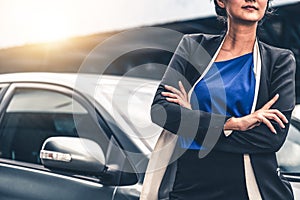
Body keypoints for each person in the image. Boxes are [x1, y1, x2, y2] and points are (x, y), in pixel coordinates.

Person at [143, 0, 296, 199]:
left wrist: (191, 120)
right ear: (221, 1)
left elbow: (270, 138)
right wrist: (233, 123)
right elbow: (161, 111)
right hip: (188, 187)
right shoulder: (193, 46)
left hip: (248, 190)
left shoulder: (279, 61)